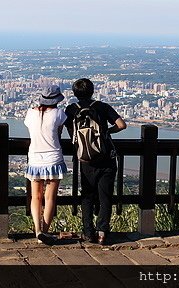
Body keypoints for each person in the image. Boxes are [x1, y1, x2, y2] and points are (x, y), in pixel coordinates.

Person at [65, 78, 127, 245]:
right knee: (105, 196)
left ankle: (87, 232)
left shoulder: (71, 110)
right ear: (92, 91)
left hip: (85, 159)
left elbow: (59, 128)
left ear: (75, 93)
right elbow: (122, 125)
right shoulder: (102, 107)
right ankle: (102, 232)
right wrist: (106, 132)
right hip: (106, 157)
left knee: (87, 196)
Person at [24, 84, 68, 245]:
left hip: (35, 158)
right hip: (54, 158)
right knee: (50, 198)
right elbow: (58, 132)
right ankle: (46, 232)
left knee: (35, 197)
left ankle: (37, 230)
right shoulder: (59, 114)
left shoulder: (30, 113)